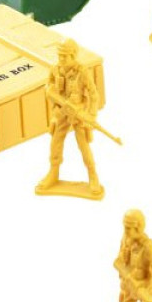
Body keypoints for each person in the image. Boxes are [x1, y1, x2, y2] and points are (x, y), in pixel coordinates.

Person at [37, 39, 105, 197]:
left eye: (65, 56)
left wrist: (91, 115)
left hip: (78, 114)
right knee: (55, 144)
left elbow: (94, 94)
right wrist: (56, 101)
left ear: (73, 55)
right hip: (61, 113)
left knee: (84, 146)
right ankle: (53, 173)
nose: (61, 59)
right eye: (59, 55)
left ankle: (92, 175)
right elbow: (48, 88)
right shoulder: (55, 69)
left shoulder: (82, 72)